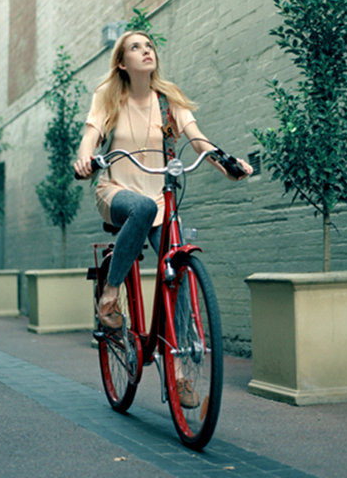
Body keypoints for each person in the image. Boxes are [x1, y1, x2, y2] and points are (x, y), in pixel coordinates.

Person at [74, 30, 252, 335]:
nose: (146, 51)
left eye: (149, 46)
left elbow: (198, 141)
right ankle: (111, 293)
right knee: (140, 208)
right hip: (116, 192)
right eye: (135, 47)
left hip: (160, 198)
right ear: (121, 63)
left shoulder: (169, 100)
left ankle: (179, 369)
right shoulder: (108, 97)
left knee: (178, 267)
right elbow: (90, 138)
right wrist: (84, 160)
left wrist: (227, 163)